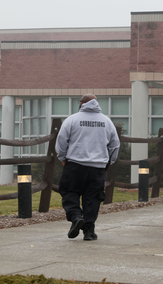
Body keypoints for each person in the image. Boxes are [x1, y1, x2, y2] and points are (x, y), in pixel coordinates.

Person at [55, 93, 120, 240]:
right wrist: (108, 162)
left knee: (69, 192)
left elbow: (61, 142)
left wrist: (62, 158)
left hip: (75, 165)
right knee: (93, 198)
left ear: (82, 103)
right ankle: (89, 232)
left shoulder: (72, 120)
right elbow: (115, 145)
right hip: (97, 167)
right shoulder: (106, 121)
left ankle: (76, 217)